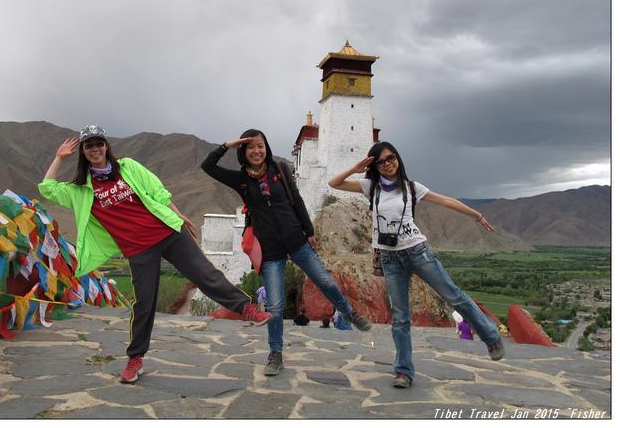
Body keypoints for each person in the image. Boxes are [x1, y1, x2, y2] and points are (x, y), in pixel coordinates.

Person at [38, 124, 271, 384]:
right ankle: (135, 359)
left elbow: (157, 192)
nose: (95, 149)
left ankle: (247, 309)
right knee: (144, 303)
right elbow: (47, 188)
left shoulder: (127, 167)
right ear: (83, 151)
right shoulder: (80, 190)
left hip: (168, 232)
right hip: (138, 249)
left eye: (99, 143)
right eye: (89, 145)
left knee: (205, 274)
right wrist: (59, 157)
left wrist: (179, 214)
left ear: (106, 146)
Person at [328, 141, 505, 389]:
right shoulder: (371, 187)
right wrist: (355, 169)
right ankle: (403, 371)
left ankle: (491, 336)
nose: (387, 164)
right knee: (400, 317)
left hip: (417, 251)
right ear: (374, 166)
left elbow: (446, 201)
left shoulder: (412, 188)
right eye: (381, 161)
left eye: (391, 158)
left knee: (453, 296)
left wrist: (476, 215)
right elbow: (334, 183)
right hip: (390, 258)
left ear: (398, 159)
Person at [201, 129, 372, 376]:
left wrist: (309, 231)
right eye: (250, 147)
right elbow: (208, 166)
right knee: (275, 306)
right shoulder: (241, 180)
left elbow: (297, 201)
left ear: (266, 148)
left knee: (324, 281)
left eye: (260, 146)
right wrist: (227, 145)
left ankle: (348, 312)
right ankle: (275, 354)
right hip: (270, 251)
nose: (256, 151)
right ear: (243, 151)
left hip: (296, 241)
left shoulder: (280, 170)